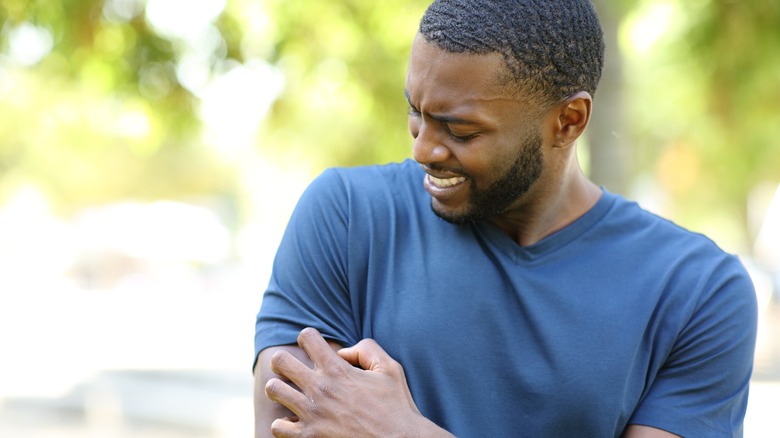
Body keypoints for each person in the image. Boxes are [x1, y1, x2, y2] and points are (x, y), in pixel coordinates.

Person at [253, 0, 758, 436]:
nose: (424, 149)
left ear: (569, 120)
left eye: (460, 130)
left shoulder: (698, 292)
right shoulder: (346, 218)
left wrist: (405, 433)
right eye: (416, 110)